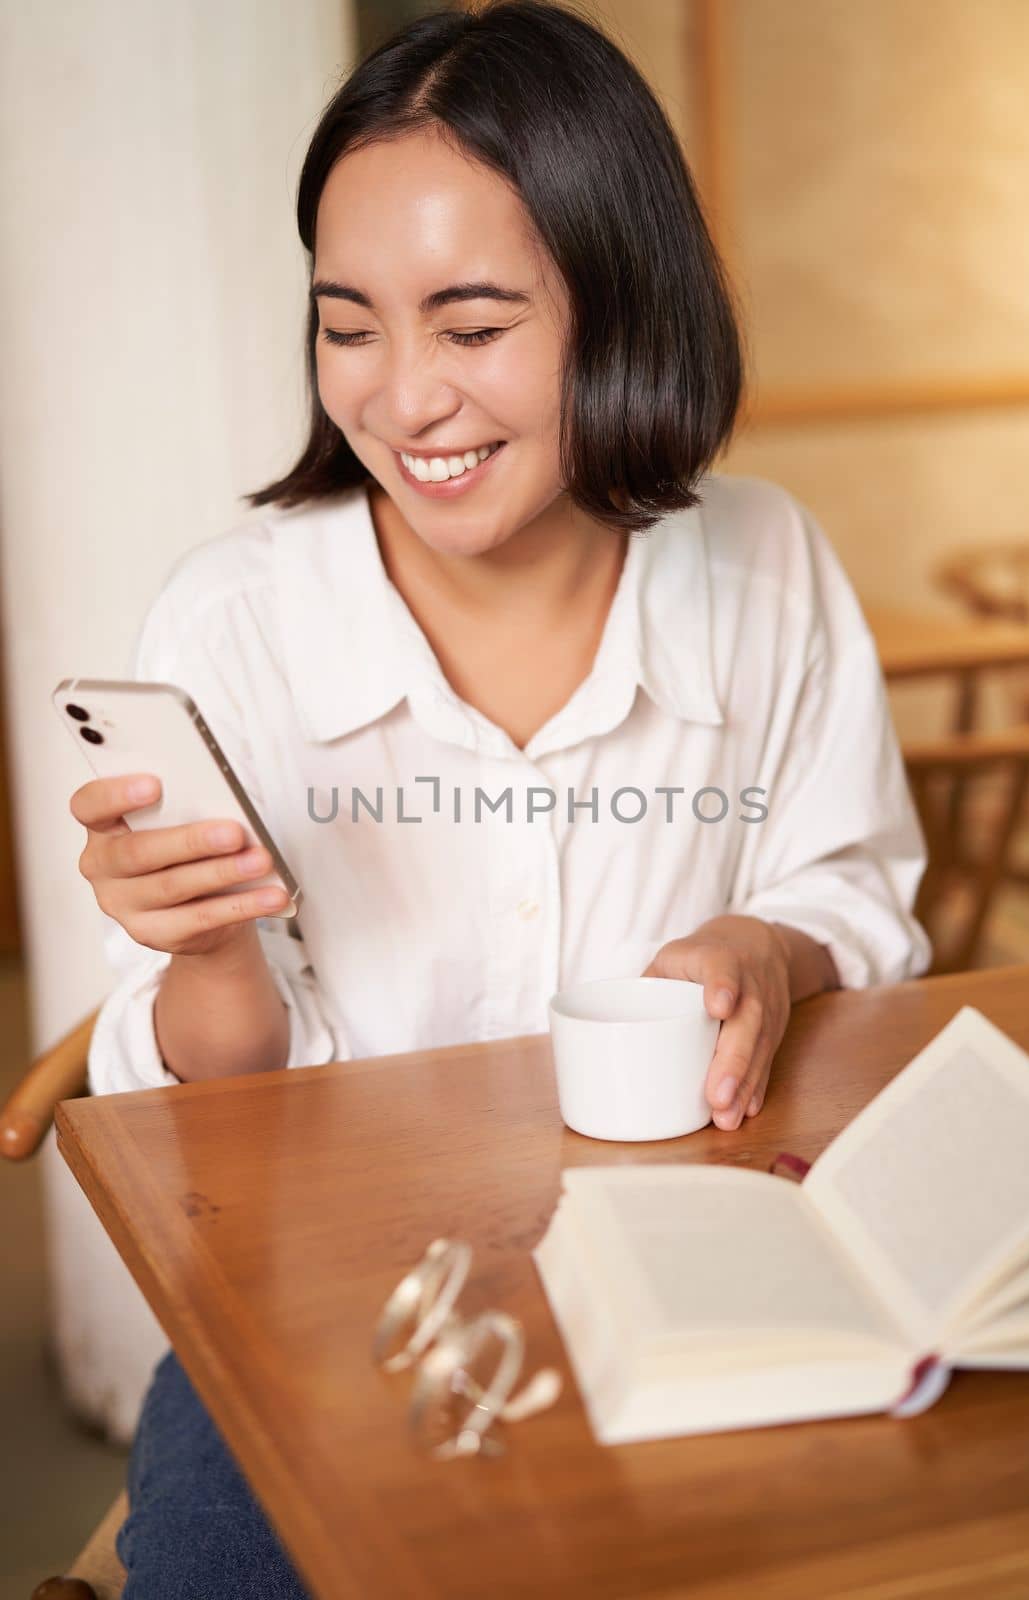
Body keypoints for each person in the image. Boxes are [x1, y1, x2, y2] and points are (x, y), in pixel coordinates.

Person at [69, 3, 931, 1593]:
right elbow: (211, 1116)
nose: (404, 402)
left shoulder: (765, 567)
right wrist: (203, 955)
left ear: (622, 307)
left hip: (705, 1284)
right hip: (328, 1325)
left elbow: (858, 893)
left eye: (471, 329)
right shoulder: (232, 626)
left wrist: (772, 943)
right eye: (350, 325)